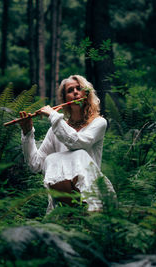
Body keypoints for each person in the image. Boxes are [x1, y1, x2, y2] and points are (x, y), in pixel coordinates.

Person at [19, 75, 115, 213]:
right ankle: (68, 210)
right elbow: (35, 164)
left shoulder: (99, 122)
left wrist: (53, 116)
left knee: (79, 154)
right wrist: (27, 132)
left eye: (79, 88)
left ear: (86, 94)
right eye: (70, 90)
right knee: (51, 159)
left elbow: (77, 143)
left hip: (92, 192)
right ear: (65, 99)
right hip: (64, 199)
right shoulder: (56, 129)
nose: (75, 92)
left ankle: (88, 209)